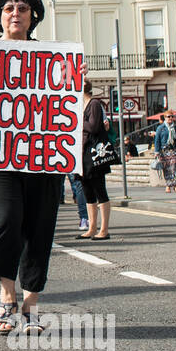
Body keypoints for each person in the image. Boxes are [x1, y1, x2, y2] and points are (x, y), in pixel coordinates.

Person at [0, 0, 62, 334]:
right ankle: (5, 295)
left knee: (39, 228)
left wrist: (74, 80)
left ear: (33, 16)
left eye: (23, 8)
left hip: (43, 159)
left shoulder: (52, 57)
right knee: (7, 221)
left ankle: (30, 305)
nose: (15, 13)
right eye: (9, 7)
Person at [80, 80, 112, 240]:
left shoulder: (94, 104)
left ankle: (104, 229)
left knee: (99, 190)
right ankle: (92, 227)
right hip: (82, 154)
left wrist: (77, 120)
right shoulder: (82, 105)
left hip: (94, 154)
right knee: (87, 191)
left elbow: (93, 127)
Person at [154, 110, 176, 192]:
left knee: (175, 168)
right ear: (165, 118)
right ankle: (168, 185)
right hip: (164, 151)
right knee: (167, 168)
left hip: (174, 149)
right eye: (168, 116)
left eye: (172, 116)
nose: (171, 118)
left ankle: (175, 185)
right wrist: (156, 152)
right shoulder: (161, 128)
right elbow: (157, 140)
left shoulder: (175, 127)